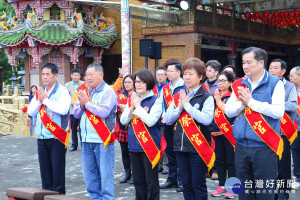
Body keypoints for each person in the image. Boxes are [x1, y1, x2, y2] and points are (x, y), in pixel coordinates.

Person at [225, 47, 285, 200]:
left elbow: (278, 112)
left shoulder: (275, 83)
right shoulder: (239, 84)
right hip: (241, 146)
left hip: (264, 147)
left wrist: (251, 102)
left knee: (264, 191)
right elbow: (229, 111)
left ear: (261, 63)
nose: (245, 66)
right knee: (244, 192)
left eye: (249, 62)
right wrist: (243, 104)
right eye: (243, 62)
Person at [165, 57, 215, 199]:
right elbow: (168, 120)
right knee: (186, 184)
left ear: (200, 76)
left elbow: (206, 119)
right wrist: (180, 107)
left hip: (198, 148)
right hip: (180, 148)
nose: (187, 77)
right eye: (185, 73)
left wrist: (187, 105)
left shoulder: (206, 97)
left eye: (191, 74)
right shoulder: (178, 96)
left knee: (198, 184)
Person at [73, 63, 117, 200]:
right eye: (87, 74)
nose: (88, 77)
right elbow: (75, 114)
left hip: (102, 140)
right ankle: (95, 198)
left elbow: (104, 112)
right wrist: (81, 104)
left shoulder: (108, 91)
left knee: (105, 175)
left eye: (91, 74)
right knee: (89, 175)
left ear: (101, 75)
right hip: (86, 140)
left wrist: (87, 104)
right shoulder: (84, 91)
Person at [120, 69, 164, 200]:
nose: (138, 85)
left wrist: (138, 107)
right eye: (137, 82)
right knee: (138, 181)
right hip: (134, 145)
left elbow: (150, 121)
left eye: (142, 82)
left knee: (151, 182)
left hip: (149, 146)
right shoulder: (133, 99)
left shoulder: (156, 100)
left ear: (148, 83)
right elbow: (123, 120)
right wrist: (132, 109)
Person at [28, 63, 71, 194]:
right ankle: (46, 196)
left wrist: (46, 100)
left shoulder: (63, 91)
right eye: (43, 74)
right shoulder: (40, 91)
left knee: (57, 172)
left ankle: (59, 197)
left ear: (55, 76)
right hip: (41, 138)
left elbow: (63, 110)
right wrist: (40, 100)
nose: (45, 77)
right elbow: (31, 111)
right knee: (45, 172)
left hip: (57, 137)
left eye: (48, 74)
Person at [269, 59, 297, 199]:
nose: (272, 70)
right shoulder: (265, 85)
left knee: (283, 165)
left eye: (275, 68)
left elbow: (292, 106)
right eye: (270, 67)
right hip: (266, 132)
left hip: (283, 132)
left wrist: (276, 104)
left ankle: (283, 193)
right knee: (268, 165)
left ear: (283, 71)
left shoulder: (290, 87)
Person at [210, 71, 236, 199]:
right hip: (215, 132)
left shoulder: (233, 96)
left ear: (230, 83)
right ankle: (221, 186)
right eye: (219, 81)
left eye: (223, 80)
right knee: (220, 160)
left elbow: (230, 113)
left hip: (228, 132)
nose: (220, 83)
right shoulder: (214, 96)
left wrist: (219, 101)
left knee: (231, 161)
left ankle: (233, 188)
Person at [160, 61, 184, 192]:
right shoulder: (165, 88)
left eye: (170, 71)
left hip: (181, 124)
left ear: (178, 72)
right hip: (168, 123)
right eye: (167, 71)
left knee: (180, 153)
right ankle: (171, 179)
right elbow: (163, 104)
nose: (168, 73)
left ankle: (182, 181)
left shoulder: (184, 86)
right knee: (170, 153)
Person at [117, 74, 135, 184]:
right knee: (124, 152)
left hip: (133, 127)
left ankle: (135, 175)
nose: (127, 84)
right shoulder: (120, 95)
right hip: (122, 127)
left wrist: (126, 109)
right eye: (125, 82)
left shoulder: (137, 95)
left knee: (133, 152)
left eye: (129, 82)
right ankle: (127, 173)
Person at [153, 66, 168, 173]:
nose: (160, 76)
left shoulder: (168, 88)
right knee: (156, 142)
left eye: (162, 74)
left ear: (166, 76)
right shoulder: (153, 87)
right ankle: (158, 163)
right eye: (158, 74)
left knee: (165, 142)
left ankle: (166, 165)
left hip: (164, 119)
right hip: (154, 119)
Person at [65, 68, 84, 151]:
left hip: (82, 110)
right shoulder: (67, 85)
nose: (76, 77)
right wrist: (73, 103)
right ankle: (74, 144)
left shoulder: (84, 84)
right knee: (73, 128)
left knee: (82, 128)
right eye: (74, 75)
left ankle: (84, 144)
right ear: (71, 76)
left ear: (80, 76)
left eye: (78, 75)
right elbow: (66, 97)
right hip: (73, 111)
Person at [289, 66, 300, 190]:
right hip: (295, 129)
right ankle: (298, 178)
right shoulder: (290, 91)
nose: (290, 78)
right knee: (296, 154)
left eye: (292, 76)